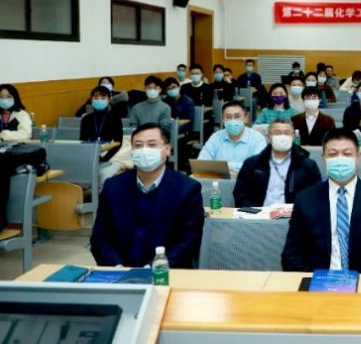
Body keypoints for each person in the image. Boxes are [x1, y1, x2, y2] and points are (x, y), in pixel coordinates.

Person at [281, 127, 361, 273]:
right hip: (317, 280)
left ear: (358, 158)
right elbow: (291, 254)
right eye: (333, 154)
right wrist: (314, 280)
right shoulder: (305, 200)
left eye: (347, 154)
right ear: (324, 158)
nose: (340, 159)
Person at [90, 124, 204, 268]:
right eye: (138, 145)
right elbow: (100, 238)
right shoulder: (113, 186)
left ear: (167, 150)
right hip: (120, 271)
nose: (144, 150)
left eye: (152, 145)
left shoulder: (187, 189)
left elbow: (190, 239)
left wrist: (156, 267)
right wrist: (116, 266)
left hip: (167, 271)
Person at [233, 118, 321, 208]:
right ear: (268, 136)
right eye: (277, 133)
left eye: (287, 133)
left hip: (294, 214)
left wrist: (297, 211)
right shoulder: (252, 164)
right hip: (259, 213)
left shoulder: (308, 166)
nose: (282, 136)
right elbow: (240, 195)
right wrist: (255, 211)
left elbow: (315, 196)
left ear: (293, 136)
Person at [198, 101, 267, 173]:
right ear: (223, 120)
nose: (232, 120)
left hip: (246, 179)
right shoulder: (216, 137)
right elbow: (201, 163)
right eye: (228, 117)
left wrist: (223, 166)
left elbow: (256, 167)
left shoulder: (257, 138)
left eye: (237, 116)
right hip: (218, 179)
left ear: (246, 119)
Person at [80, 85, 124, 185]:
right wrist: (93, 157)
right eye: (96, 98)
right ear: (91, 99)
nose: (99, 100)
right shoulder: (86, 119)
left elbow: (118, 142)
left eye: (103, 97)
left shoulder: (115, 117)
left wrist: (104, 159)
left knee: (103, 175)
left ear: (109, 99)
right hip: (92, 153)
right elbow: (83, 141)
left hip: (112, 154)